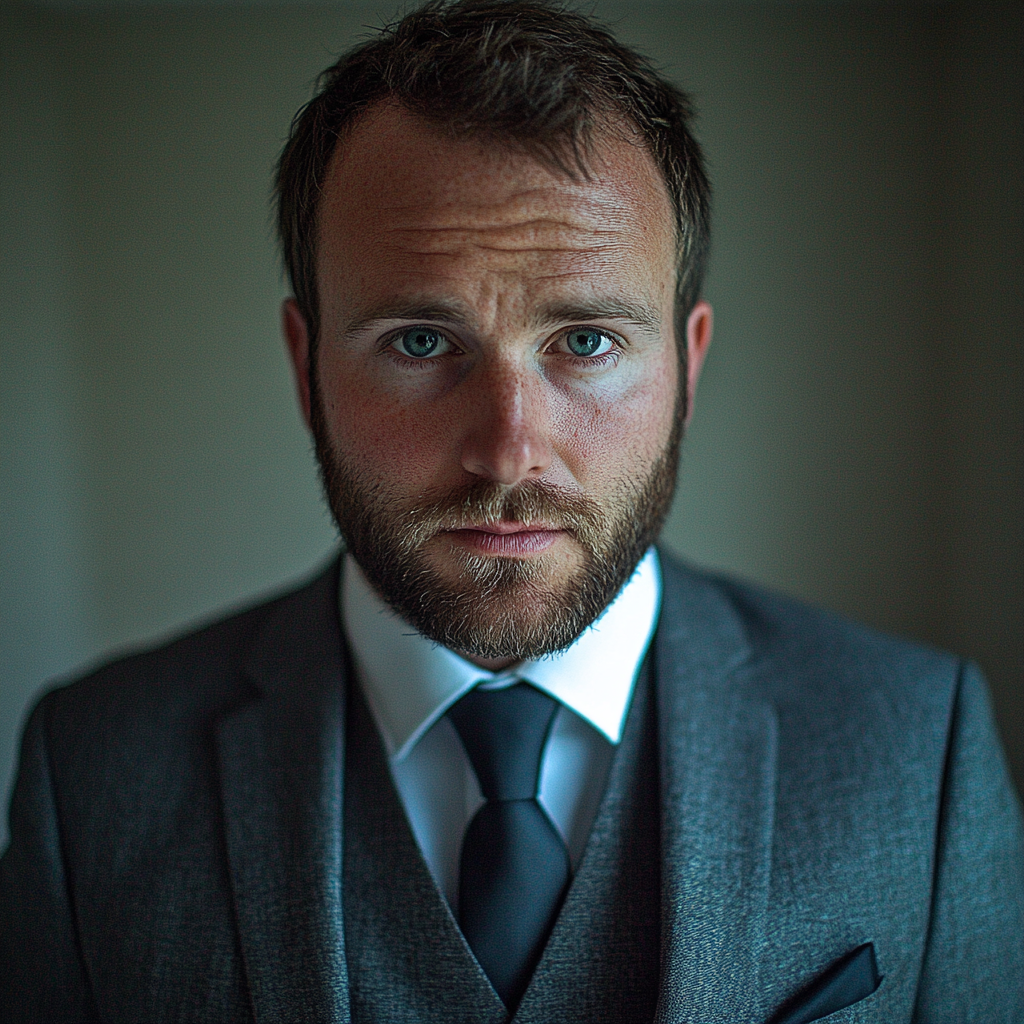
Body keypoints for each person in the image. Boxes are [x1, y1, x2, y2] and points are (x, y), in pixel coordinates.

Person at [2, 1, 1021, 1020]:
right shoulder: (92, 773)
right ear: (306, 366)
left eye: (584, 341)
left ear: (687, 365)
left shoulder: (914, 747)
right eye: (418, 342)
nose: (508, 448)